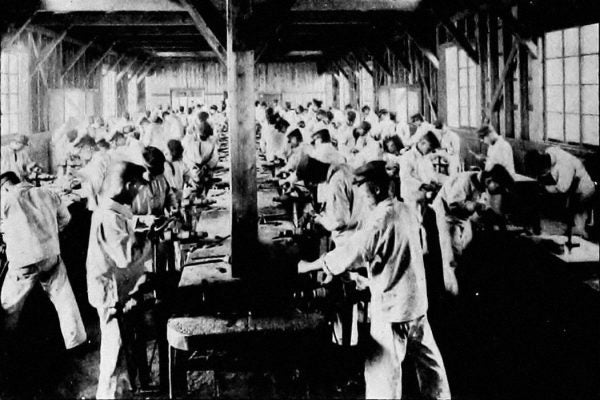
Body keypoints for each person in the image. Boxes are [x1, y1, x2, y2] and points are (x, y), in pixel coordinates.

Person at [297, 161, 451, 400]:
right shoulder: (405, 209)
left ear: (376, 189)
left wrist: (309, 266)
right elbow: (394, 254)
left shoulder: (381, 219)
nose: (360, 195)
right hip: (416, 301)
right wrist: (364, 277)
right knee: (430, 366)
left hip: (392, 309)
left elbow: (354, 251)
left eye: (362, 189)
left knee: (382, 375)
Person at [86, 161, 153, 399]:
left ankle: (123, 393)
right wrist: (149, 240)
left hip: (118, 288)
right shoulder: (109, 217)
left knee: (123, 351)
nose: (139, 192)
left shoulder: (114, 211)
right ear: (129, 185)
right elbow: (126, 257)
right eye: (137, 187)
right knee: (115, 353)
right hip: (111, 292)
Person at [0, 171, 86, 349]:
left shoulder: (6, 200)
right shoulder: (47, 192)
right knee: (63, 296)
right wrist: (50, 233)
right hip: (50, 256)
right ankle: (76, 341)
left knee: (9, 305)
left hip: (22, 262)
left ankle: (6, 346)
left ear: (5, 186)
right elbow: (66, 218)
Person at [432, 165, 514, 295]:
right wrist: (474, 206)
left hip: (461, 218)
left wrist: (495, 217)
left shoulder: (482, 183)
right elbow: (453, 204)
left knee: (465, 249)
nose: (497, 191)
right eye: (498, 188)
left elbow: (482, 206)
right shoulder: (465, 181)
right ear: (490, 180)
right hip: (446, 216)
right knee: (450, 257)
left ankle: (462, 284)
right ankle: (452, 294)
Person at [525, 147, 596, 237]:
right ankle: (576, 231)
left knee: (578, 222)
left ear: (545, 166)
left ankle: (582, 234)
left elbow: (562, 189)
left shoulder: (565, 166)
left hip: (584, 189)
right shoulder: (550, 150)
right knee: (573, 221)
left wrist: (544, 188)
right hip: (573, 185)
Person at [399, 131, 441, 207]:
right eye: (429, 149)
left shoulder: (425, 157)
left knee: (423, 216)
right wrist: (422, 185)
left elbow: (430, 172)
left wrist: (434, 182)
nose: (430, 152)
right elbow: (405, 177)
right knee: (413, 217)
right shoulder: (407, 156)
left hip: (423, 195)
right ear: (423, 143)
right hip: (410, 196)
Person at [132, 147, 175, 216]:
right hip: (141, 225)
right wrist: (143, 220)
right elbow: (122, 218)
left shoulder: (160, 178)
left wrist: (172, 205)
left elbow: (169, 194)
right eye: (153, 175)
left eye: (157, 175)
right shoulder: (131, 187)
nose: (155, 178)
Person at [183, 121, 219, 198]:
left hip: (206, 170)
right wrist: (191, 165)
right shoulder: (188, 140)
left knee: (205, 189)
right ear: (197, 133)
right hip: (191, 168)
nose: (203, 137)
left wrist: (208, 166)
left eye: (205, 136)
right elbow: (184, 155)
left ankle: (204, 195)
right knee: (190, 191)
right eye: (201, 135)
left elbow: (215, 157)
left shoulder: (212, 142)